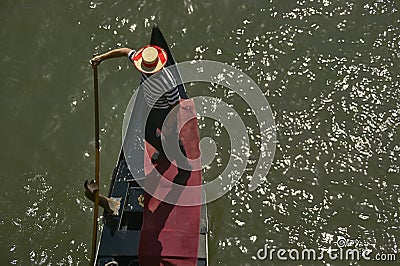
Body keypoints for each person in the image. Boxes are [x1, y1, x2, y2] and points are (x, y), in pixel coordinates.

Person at [91, 45, 188, 168]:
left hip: (165, 112)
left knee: (172, 141)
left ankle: (184, 165)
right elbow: (124, 51)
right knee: (147, 134)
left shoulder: (167, 82)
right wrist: (101, 58)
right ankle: (163, 152)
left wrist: (168, 125)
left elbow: (176, 106)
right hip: (150, 107)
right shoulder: (142, 65)